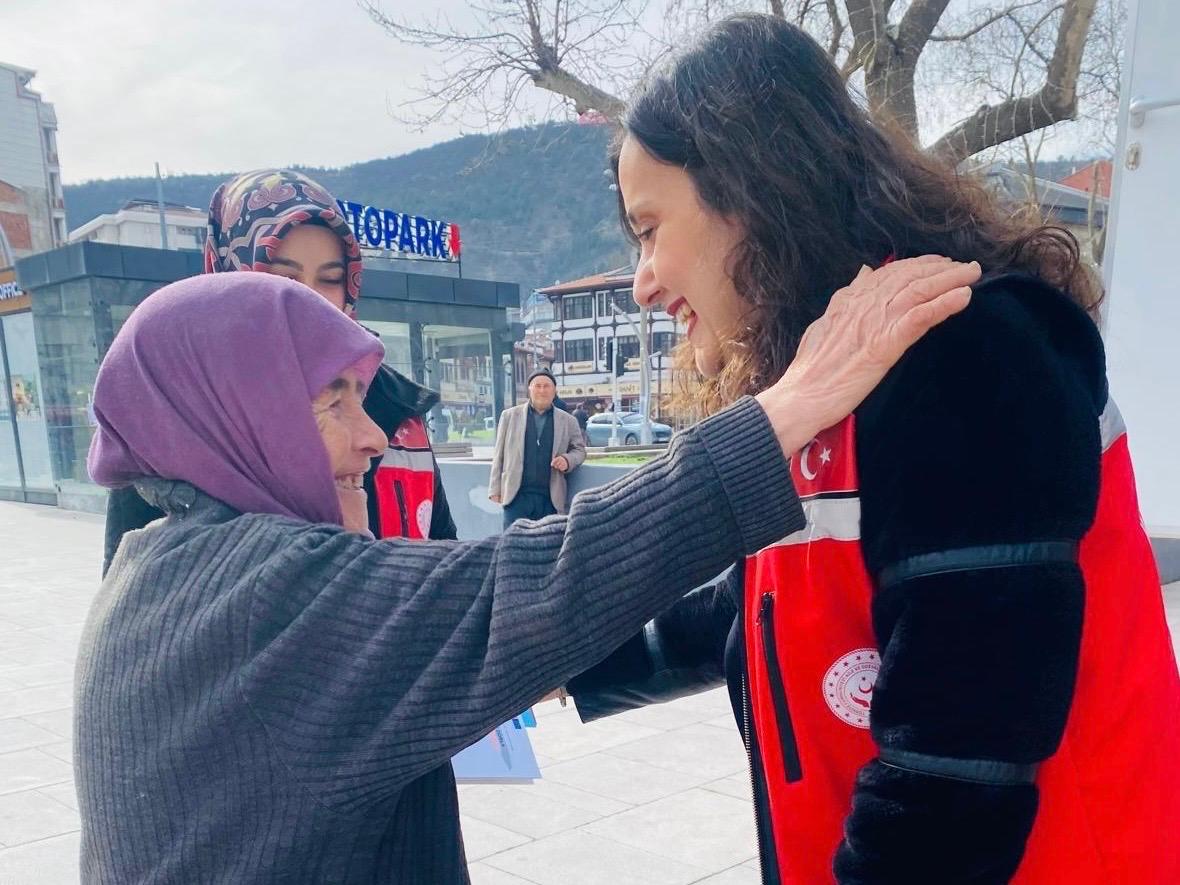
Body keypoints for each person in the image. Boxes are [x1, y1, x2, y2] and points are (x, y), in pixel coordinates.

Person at [76, 254, 974, 883]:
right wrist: (794, 403)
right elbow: (533, 588)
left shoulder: (156, 573)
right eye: (329, 401)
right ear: (228, 414)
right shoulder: (258, 595)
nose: (374, 435)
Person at [564, 14, 1180, 885]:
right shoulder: (832, 378)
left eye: (649, 228)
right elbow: (760, 602)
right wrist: (554, 655)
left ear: (750, 193)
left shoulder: (968, 356)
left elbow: (953, 772)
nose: (642, 279)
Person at [100, 169, 455, 577]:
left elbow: (451, 555)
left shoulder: (398, 411)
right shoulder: (176, 429)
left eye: (330, 279)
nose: (309, 299)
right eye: (284, 278)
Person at [489, 367, 586, 527]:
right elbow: (498, 454)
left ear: (554, 391)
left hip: (551, 498)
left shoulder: (568, 421)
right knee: (512, 546)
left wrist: (567, 460)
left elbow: (580, 450)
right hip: (516, 497)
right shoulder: (509, 416)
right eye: (537, 386)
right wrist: (495, 489)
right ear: (530, 389)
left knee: (547, 547)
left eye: (547, 386)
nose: (542, 390)